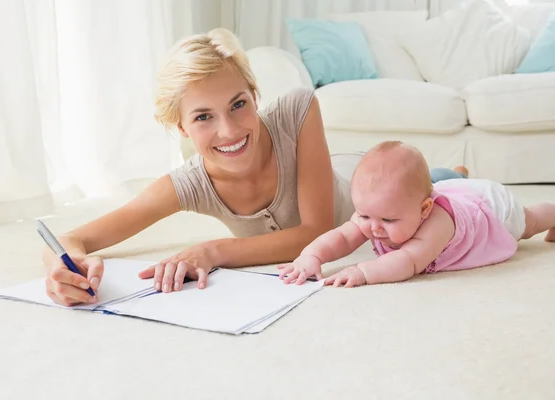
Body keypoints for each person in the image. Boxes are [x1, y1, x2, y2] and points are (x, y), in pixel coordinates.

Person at [42, 28, 465, 306]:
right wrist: (65, 267)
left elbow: (316, 232)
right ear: (181, 127)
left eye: (238, 105)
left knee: (442, 196)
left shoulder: (297, 109)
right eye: (203, 117)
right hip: (356, 195)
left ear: (255, 94)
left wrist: (213, 250)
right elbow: (70, 237)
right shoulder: (189, 184)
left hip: (364, 187)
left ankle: (455, 174)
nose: (229, 130)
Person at [278, 141, 555, 287]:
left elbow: (408, 261)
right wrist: (311, 256)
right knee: (439, 180)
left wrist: (363, 271)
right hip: (449, 191)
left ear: (424, 210)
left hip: (491, 210)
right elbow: (341, 237)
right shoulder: (378, 212)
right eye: (364, 216)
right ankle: (458, 173)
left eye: (388, 220)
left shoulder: (437, 223)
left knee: (529, 222)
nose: (373, 228)